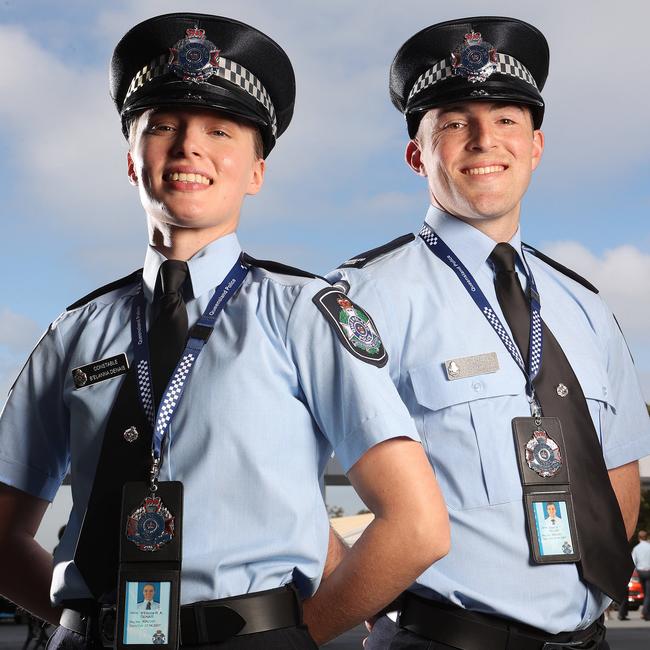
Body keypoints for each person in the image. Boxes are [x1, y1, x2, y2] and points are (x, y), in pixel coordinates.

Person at [0, 13, 450, 649]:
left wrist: (294, 636)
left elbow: (418, 525)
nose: (189, 147)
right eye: (163, 126)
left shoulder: (306, 314)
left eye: (221, 131)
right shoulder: (74, 333)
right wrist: (83, 626)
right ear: (132, 159)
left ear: (257, 171)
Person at [328, 15, 650, 650]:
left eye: (507, 119)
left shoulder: (585, 305)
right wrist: (352, 590)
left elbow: (618, 469)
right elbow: (276, 465)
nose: (484, 140)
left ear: (536, 146)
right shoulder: (361, 298)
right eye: (454, 123)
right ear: (417, 154)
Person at [632, 530, 650, 620]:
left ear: (639, 538)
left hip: (640, 572)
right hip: (648, 572)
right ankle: (645, 612)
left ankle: (646, 611)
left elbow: (633, 561)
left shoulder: (636, 548)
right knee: (648, 593)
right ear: (646, 537)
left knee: (644, 592)